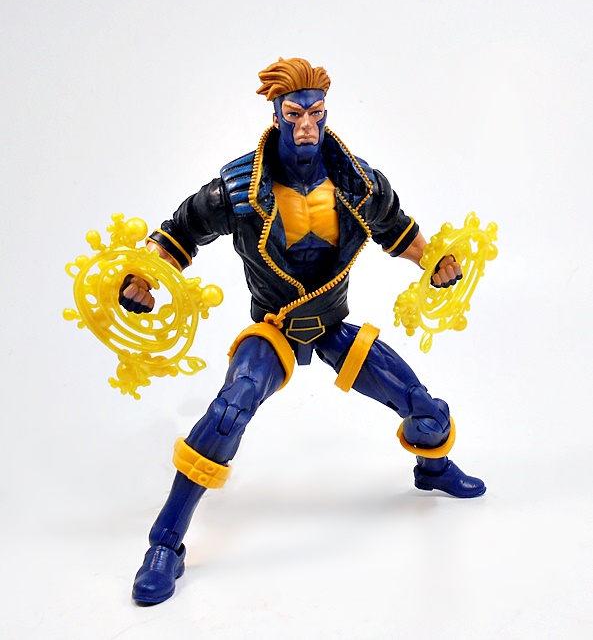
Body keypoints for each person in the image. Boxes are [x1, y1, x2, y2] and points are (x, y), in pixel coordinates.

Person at [121, 58, 486, 606]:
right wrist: (142, 278)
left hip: (333, 326)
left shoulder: (357, 183)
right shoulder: (237, 189)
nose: (307, 126)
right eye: (294, 114)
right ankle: (164, 544)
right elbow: (178, 233)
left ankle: (432, 469)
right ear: (276, 115)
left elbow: (399, 230)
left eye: (316, 113)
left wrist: (435, 262)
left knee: (424, 410)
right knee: (228, 411)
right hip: (274, 329)